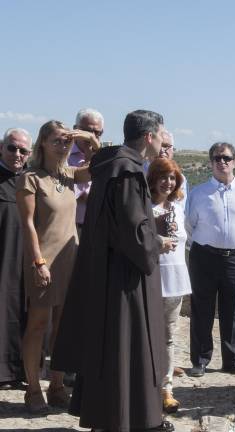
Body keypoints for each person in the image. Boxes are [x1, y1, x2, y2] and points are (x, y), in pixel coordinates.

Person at [52, 109, 175, 431]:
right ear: (149, 136)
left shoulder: (110, 167)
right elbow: (134, 232)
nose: (164, 140)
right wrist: (155, 242)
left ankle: (117, 415)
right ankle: (128, 417)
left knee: (111, 348)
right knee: (126, 346)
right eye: (162, 134)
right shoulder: (128, 172)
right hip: (125, 280)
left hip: (108, 273)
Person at [16, 121, 98, 412]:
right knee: (38, 325)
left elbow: (101, 165)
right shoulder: (30, 178)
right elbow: (27, 225)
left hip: (70, 259)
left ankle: (58, 385)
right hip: (43, 262)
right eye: (57, 141)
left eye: (66, 141)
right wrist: (38, 262)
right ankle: (33, 389)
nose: (63, 146)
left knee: (64, 328)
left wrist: (88, 138)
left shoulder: (70, 176)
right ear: (42, 144)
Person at [186, 142, 235, 377]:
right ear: (210, 162)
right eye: (217, 158)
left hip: (234, 257)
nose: (222, 162)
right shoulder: (198, 193)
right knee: (202, 309)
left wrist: (231, 242)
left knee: (232, 310)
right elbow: (189, 226)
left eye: (226, 158)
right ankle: (200, 360)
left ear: (234, 161)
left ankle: (231, 360)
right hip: (204, 257)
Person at [148, 158, 192, 413]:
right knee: (148, 337)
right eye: (163, 177)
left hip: (174, 278)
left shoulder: (178, 206)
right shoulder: (144, 206)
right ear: (153, 178)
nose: (168, 182)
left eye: (173, 178)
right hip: (152, 278)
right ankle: (146, 386)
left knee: (168, 337)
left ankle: (166, 389)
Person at [0, 128, 32, 388]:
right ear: (2, 148)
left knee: (26, 311)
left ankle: (23, 370)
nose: (17, 154)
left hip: (28, 258)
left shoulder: (32, 179)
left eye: (23, 150)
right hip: (3, 256)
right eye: (12, 148)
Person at [69, 108, 104, 232]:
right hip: (69, 226)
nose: (91, 137)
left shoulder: (105, 159)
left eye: (97, 133)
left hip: (97, 227)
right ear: (75, 129)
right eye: (87, 131)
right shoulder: (63, 155)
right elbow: (69, 195)